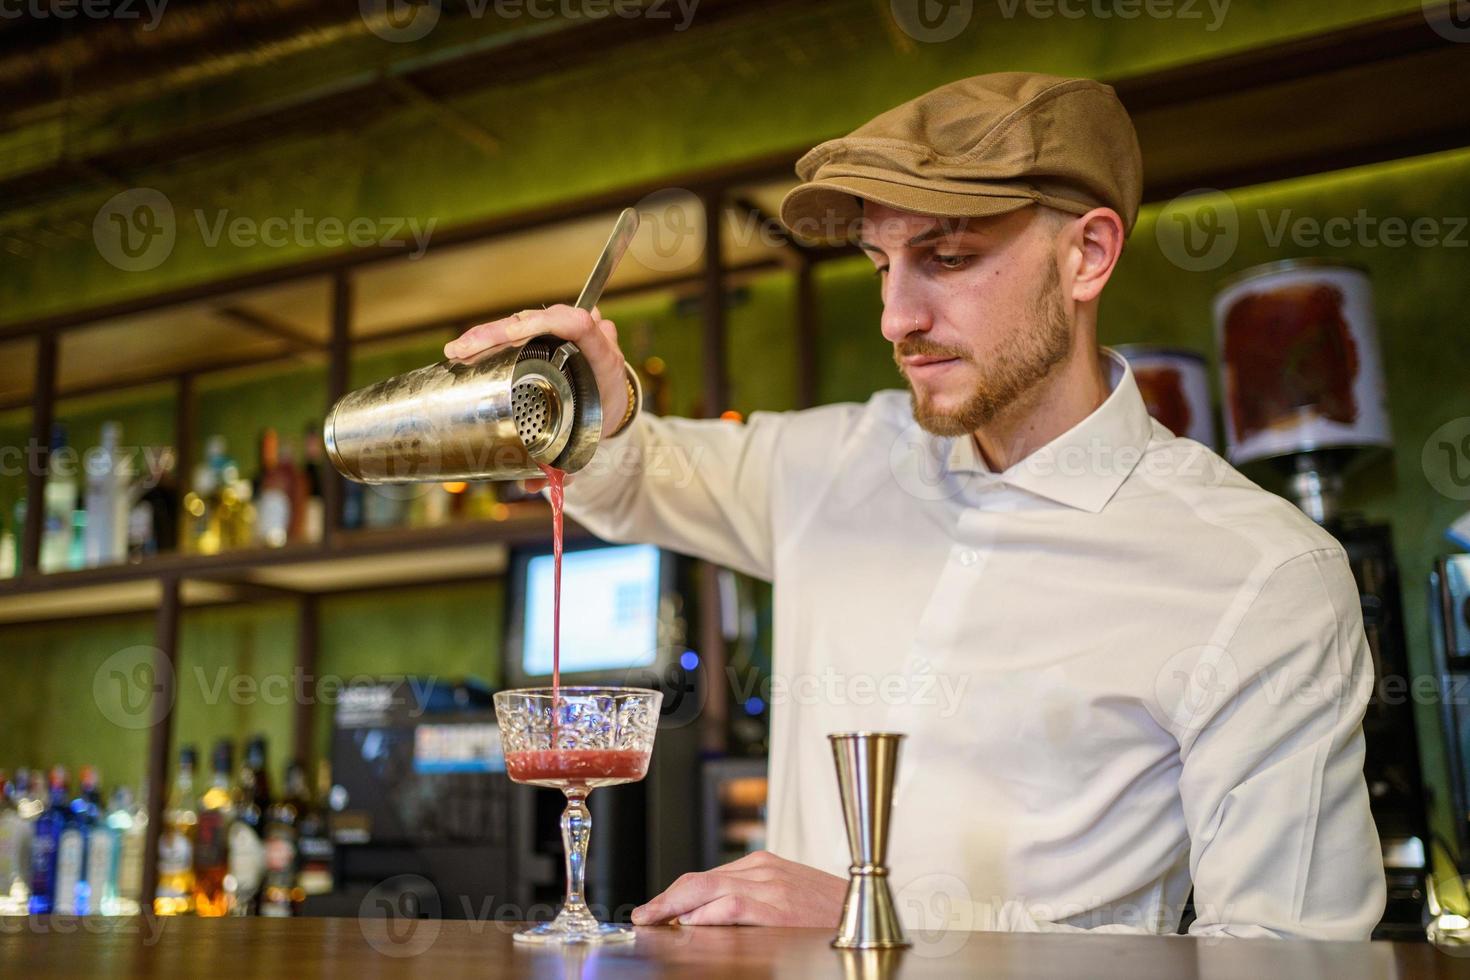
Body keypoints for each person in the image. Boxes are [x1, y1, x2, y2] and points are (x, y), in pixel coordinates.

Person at [445, 72, 1385, 940]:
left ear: (1088, 255)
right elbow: (632, 468)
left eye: (948, 256)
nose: (897, 317)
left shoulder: (1262, 577)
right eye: (880, 263)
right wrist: (588, 401)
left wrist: (881, 924)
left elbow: (1285, 958)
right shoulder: (837, 461)